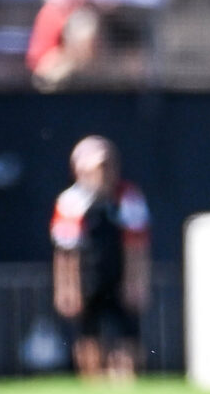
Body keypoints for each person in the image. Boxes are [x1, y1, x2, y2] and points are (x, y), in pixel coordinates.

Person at [49, 136, 149, 380]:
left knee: (127, 334)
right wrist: (67, 289)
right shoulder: (71, 202)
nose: (103, 174)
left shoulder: (127, 197)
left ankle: (125, 382)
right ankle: (92, 383)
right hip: (88, 279)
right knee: (88, 334)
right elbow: (65, 252)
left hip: (118, 275)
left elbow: (136, 245)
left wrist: (136, 282)